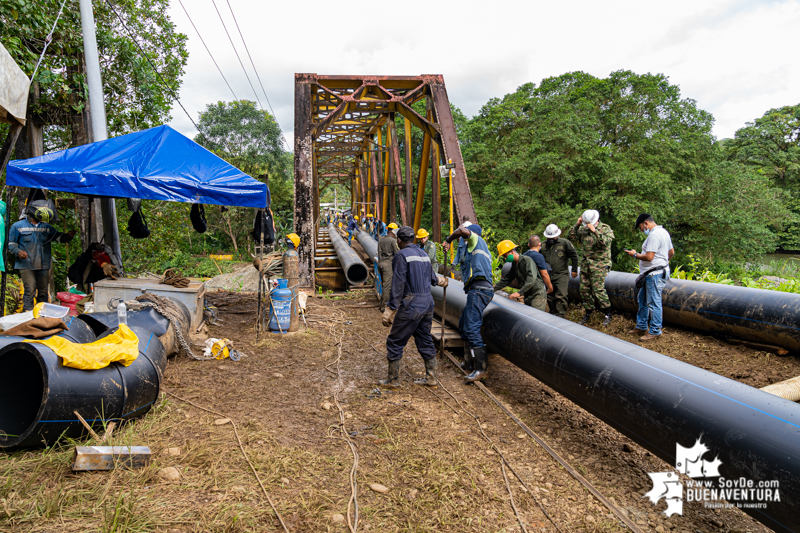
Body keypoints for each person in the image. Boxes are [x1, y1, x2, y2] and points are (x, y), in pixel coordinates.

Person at [380, 226, 448, 388]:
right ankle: (431, 377)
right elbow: (433, 278)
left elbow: (398, 284)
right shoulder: (424, 254)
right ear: (414, 239)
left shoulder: (401, 256)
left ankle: (392, 380)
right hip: (427, 304)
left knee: (395, 341)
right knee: (424, 338)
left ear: (399, 240)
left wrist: (391, 308)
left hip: (412, 304)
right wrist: (441, 281)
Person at [443, 223, 493, 382]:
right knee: (464, 325)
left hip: (480, 290)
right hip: (475, 289)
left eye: (465, 238)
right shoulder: (472, 249)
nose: (463, 240)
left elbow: (461, 231)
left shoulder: (475, 241)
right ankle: (469, 362)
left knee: (471, 328)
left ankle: (481, 369)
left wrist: (449, 239)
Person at [8, 205, 75, 311]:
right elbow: (11, 244)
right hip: (26, 264)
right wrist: (18, 251)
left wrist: (69, 236)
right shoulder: (17, 226)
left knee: (43, 291)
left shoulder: (46, 227)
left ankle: (42, 314)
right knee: (30, 290)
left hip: (43, 264)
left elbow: (59, 238)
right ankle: (28, 314)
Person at [625, 214, 674, 341]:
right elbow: (671, 252)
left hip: (654, 275)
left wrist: (635, 255)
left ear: (646, 223)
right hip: (652, 273)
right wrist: (663, 263)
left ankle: (655, 330)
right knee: (642, 299)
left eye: (641, 227)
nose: (641, 230)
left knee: (653, 302)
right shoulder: (664, 232)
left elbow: (649, 257)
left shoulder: (654, 235)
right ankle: (641, 326)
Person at [568, 209, 615, 326]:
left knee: (598, 289)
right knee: (584, 290)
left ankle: (608, 314)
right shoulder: (583, 229)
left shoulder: (605, 228)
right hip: (586, 264)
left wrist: (595, 231)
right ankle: (588, 313)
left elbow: (606, 243)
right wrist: (578, 224)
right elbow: (571, 237)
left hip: (600, 264)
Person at [495, 240, 551, 311]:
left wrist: (519, 293)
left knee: (535, 316)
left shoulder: (527, 261)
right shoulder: (515, 265)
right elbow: (506, 279)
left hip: (537, 294)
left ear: (512, 251)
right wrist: (493, 289)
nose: (505, 259)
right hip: (528, 294)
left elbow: (531, 278)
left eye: (505, 256)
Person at [540, 225, 579, 318]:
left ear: (557, 235)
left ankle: (560, 315)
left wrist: (574, 270)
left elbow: (574, 256)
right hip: (548, 275)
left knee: (561, 295)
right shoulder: (543, 245)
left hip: (561, 274)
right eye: (548, 237)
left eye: (552, 237)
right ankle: (553, 313)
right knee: (550, 295)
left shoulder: (565, 243)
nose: (550, 239)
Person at [522, 235, 554, 307]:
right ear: (540, 244)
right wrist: (550, 286)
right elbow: (544, 274)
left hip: (527, 288)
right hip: (537, 289)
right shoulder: (538, 256)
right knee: (537, 313)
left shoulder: (524, 255)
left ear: (528, 245)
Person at [378, 222, 400, 312]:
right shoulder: (393, 241)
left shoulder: (381, 239)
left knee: (384, 285)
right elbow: (397, 253)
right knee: (388, 286)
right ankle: (384, 307)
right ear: (393, 232)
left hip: (381, 264)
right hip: (388, 265)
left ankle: (381, 304)